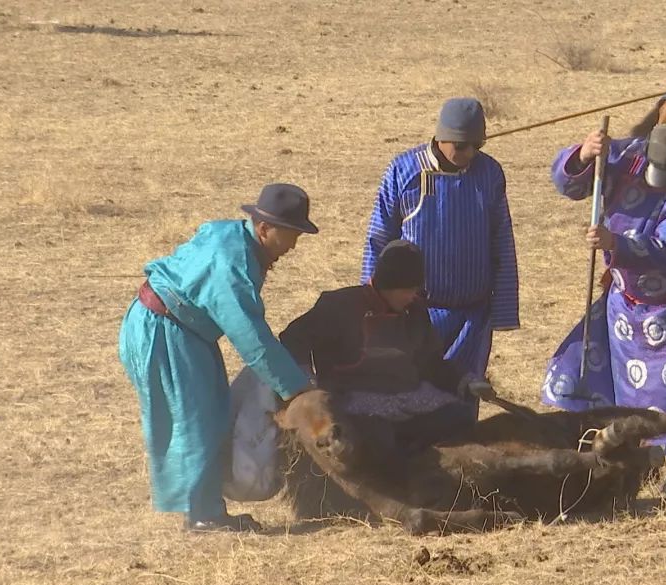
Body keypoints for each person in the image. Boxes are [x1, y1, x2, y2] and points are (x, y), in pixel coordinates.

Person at [541, 123, 666, 500]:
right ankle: (630, 466)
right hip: (627, 304)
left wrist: (615, 242)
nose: (662, 185)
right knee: (608, 383)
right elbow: (570, 185)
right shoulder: (624, 156)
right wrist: (583, 154)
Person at [118, 183, 319, 533]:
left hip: (182, 331)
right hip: (166, 331)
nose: (292, 247)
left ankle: (207, 507)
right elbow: (252, 339)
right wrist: (298, 390)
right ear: (264, 228)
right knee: (194, 421)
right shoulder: (230, 265)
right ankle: (202, 515)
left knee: (210, 414)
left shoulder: (233, 237)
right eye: (290, 236)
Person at [360, 98, 519, 397]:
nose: (468, 153)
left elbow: (502, 241)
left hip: (473, 314)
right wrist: (371, 303)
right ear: (440, 137)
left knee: (465, 397)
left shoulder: (490, 174)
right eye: (460, 145)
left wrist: (503, 310)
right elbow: (378, 240)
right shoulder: (403, 172)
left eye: (476, 146)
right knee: (414, 391)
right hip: (416, 311)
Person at [281, 239, 495, 453]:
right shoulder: (339, 305)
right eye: (407, 290)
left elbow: (432, 364)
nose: (412, 296)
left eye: (415, 290)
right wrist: (307, 380)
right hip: (352, 398)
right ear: (388, 284)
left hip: (408, 397)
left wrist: (466, 380)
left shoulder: (415, 312)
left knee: (459, 417)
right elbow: (294, 338)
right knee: (378, 438)